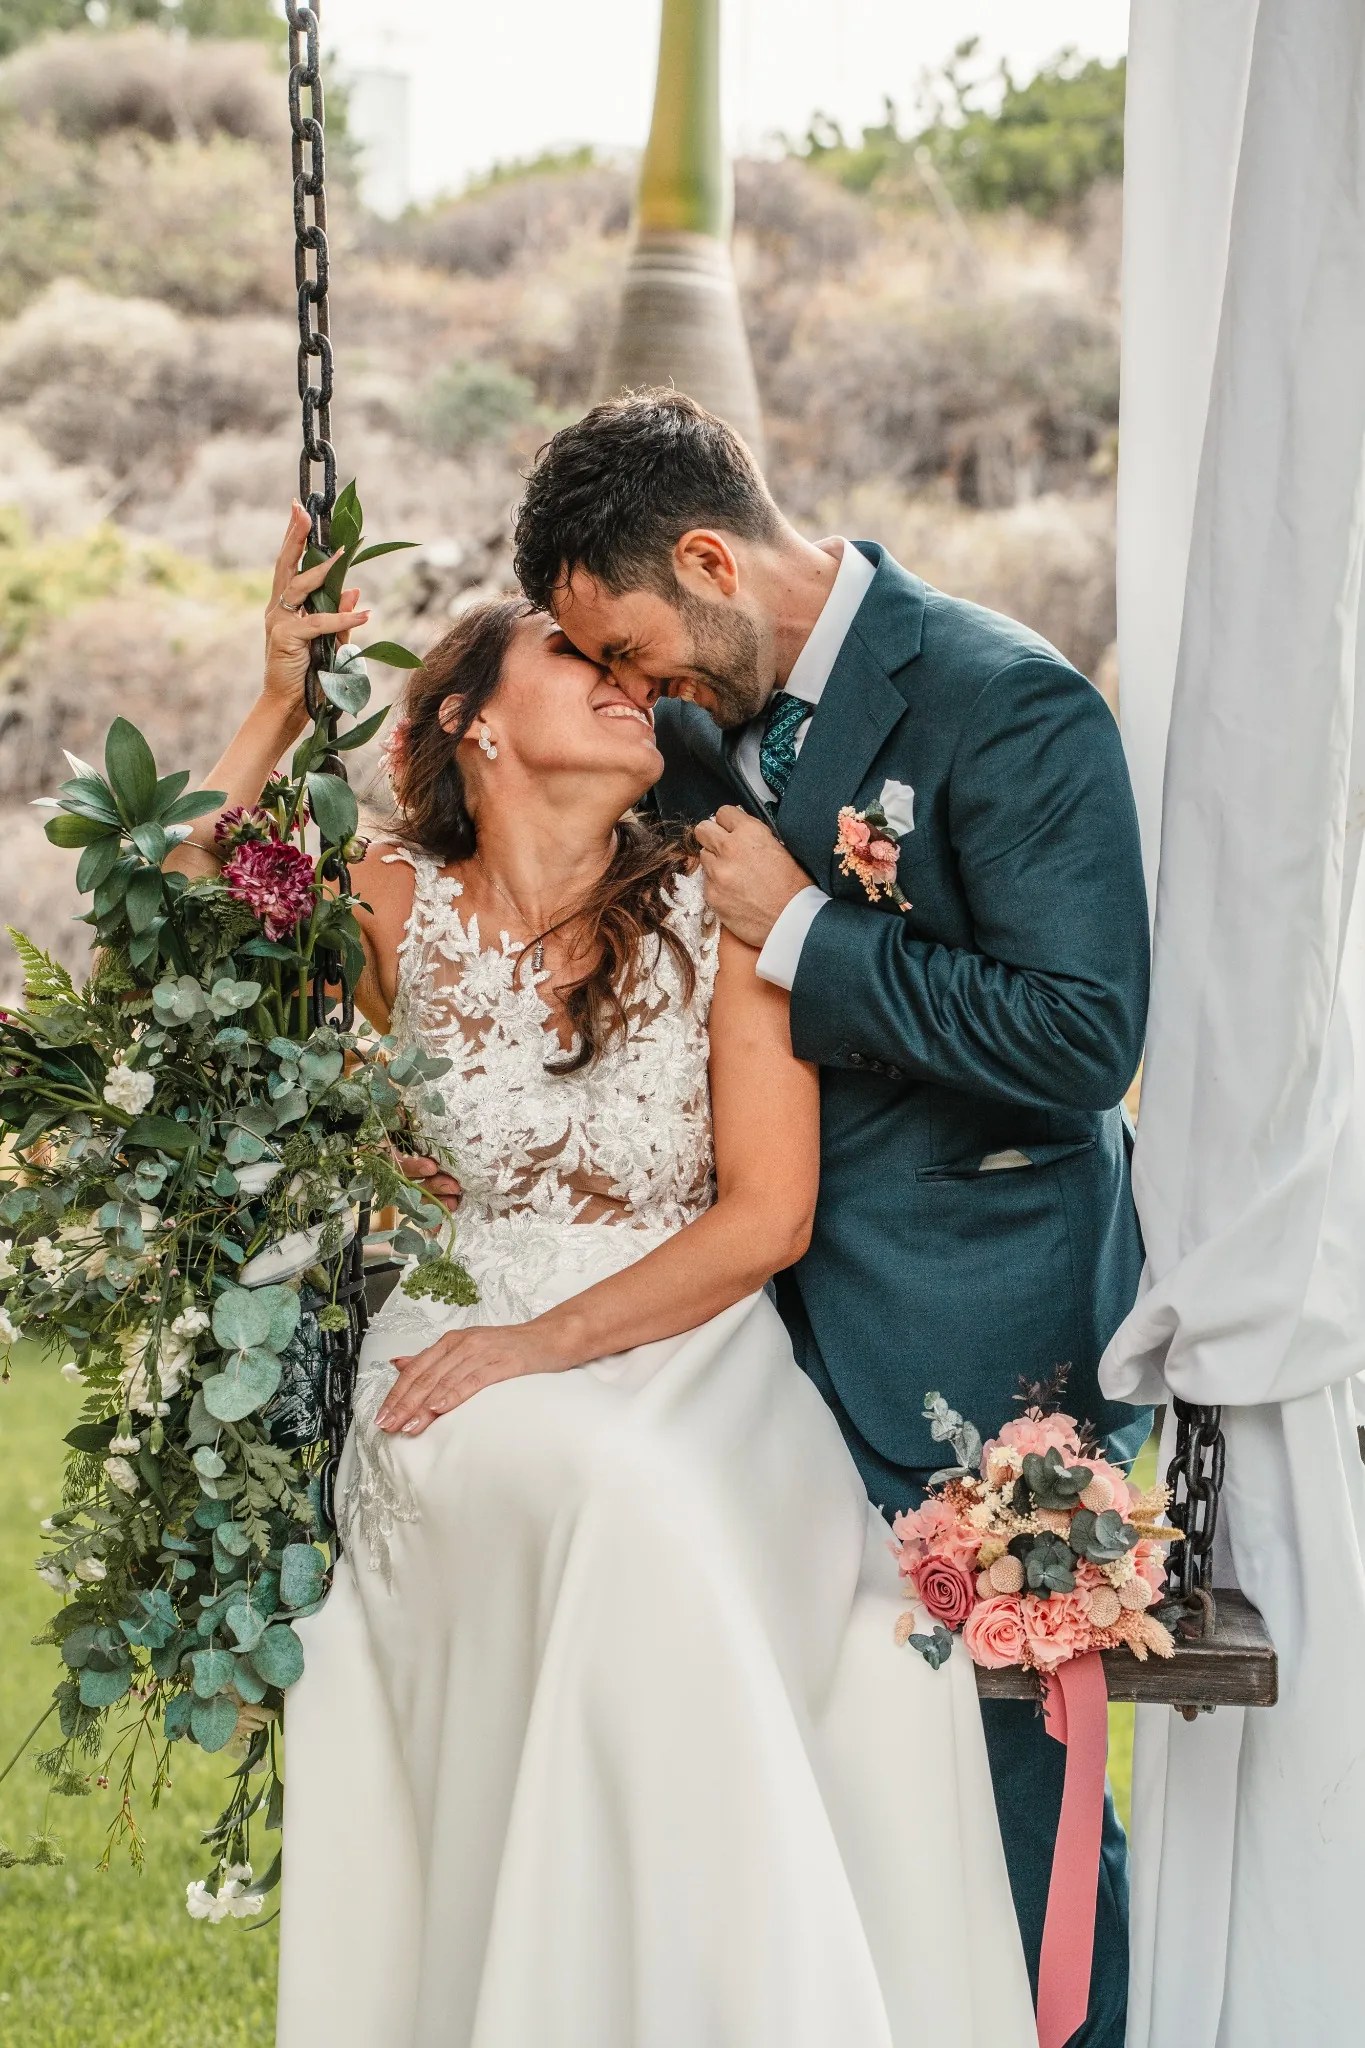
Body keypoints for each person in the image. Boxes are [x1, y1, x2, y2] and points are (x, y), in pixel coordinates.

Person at [176, 506, 1036, 2048]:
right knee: (602, 1491)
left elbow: (767, 1218)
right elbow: (161, 939)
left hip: (687, 1344)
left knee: (647, 1487)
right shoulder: (385, 913)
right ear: (472, 723)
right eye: (576, 660)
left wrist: (548, 1343)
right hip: (454, 1344)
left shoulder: (721, 904)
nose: (629, 681)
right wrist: (275, 710)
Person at [505, 390, 1154, 2048]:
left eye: (634, 650)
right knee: (812, 1759)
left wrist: (808, 934)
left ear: (712, 557)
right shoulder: (727, 716)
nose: (635, 699)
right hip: (762, 1343)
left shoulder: (1008, 705)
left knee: (1004, 1765)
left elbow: (1087, 1036)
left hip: (983, 1337)